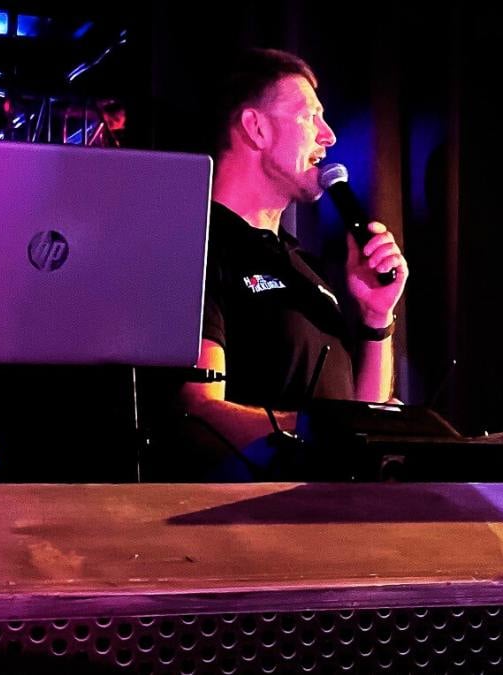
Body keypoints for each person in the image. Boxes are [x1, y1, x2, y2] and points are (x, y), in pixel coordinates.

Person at [174, 48, 409, 477]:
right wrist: (312, 429)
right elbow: (200, 411)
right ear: (256, 128)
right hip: (242, 528)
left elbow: (362, 421)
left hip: (331, 528)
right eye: (309, 116)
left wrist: (377, 319)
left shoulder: (307, 267)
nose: (329, 135)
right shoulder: (197, 247)